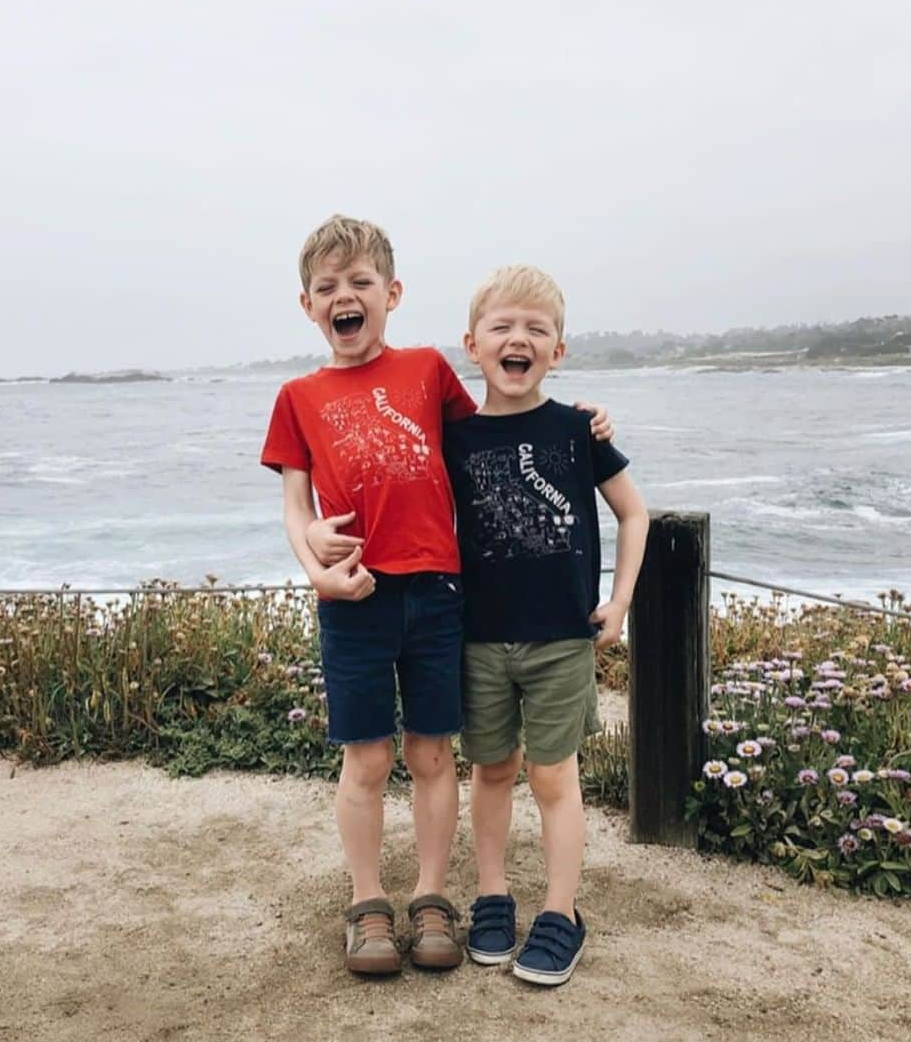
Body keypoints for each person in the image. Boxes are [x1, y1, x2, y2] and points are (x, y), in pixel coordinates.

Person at [261, 216, 612, 977]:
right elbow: (295, 504)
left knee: (430, 753)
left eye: (360, 283)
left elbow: (502, 419)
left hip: (440, 593)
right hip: (353, 597)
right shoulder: (297, 395)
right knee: (366, 758)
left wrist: (587, 426)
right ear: (307, 304)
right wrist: (313, 561)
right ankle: (366, 901)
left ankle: (429, 897)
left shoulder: (426, 370)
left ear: (391, 294)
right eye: (328, 287)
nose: (344, 297)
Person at [443, 264, 649, 987]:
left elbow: (634, 511)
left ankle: (562, 911)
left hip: (563, 636)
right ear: (473, 344)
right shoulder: (455, 436)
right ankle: (492, 894)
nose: (518, 338)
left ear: (558, 350)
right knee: (492, 770)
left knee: (555, 775)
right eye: (502, 326)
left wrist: (619, 600)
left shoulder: (577, 429)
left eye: (537, 328)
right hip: (479, 637)